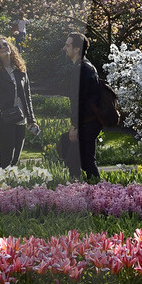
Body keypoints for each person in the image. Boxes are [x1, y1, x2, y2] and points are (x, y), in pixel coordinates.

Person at [0, 36, 38, 169]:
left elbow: (27, 96)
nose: (3, 47)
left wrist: (31, 119)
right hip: (4, 120)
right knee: (6, 160)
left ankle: (10, 182)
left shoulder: (20, 69)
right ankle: (1, 182)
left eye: (5, 44)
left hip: (20, 119)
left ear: (10, 47)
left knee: (15, 159)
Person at [64, 32, 104, 183]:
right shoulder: (87, 67)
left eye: (68, 45)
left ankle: (94, 189)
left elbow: (78, 100)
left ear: (76, 49)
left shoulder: (81, 69)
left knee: (85, 160)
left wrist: (75, 126)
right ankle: (84, 188)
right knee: (77, 158)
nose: (64, 48)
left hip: (86, 122)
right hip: (89, 121)